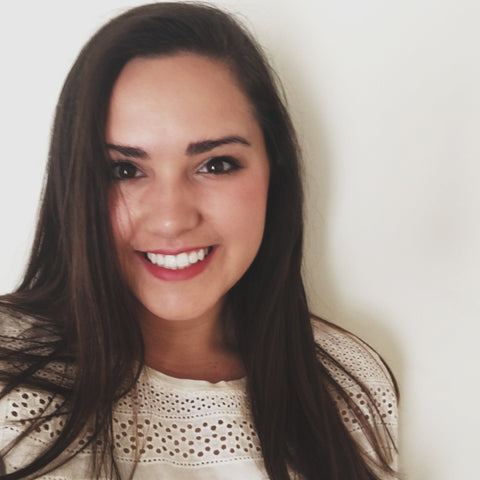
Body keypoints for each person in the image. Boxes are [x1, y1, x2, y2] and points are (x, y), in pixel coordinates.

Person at [0, 3, 398, 479]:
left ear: (275, 172)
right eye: (124, 170)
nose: (171, 220)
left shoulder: (349, 385)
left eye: (216, 164)